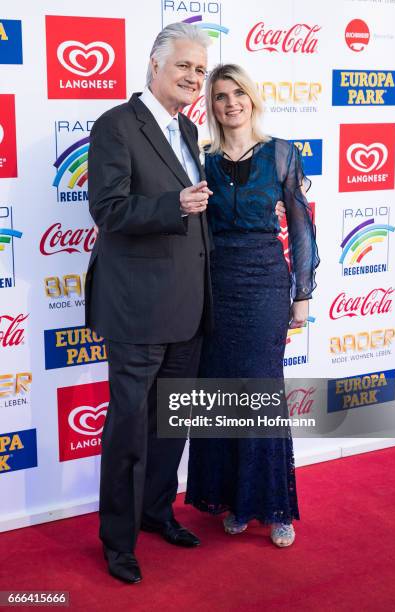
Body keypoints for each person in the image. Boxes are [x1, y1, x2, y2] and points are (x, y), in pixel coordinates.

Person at [85, 23, 214, 583]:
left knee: (172, 423)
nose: (194, 78)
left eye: (200, 70)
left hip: (189, 307)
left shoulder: (188, 132)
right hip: (137, 310)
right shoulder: (116, 124)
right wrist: (172, 206)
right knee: (130, 427)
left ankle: (157, 512)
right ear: (153, 67)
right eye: (185, 66)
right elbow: (108, 210)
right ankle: (118, 541)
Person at [185, 64, 319, 547]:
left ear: (252, 98)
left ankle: (273, 505)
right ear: (212, 105)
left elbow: (302, 226)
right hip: (215, 284)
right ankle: (234, 501)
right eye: (220, 96)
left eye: (237, 92)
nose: (230, 103)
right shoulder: (200, 158)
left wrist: (302, 293)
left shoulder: (282, 153)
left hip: (264, 282)